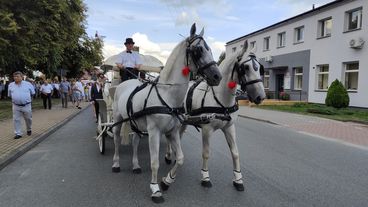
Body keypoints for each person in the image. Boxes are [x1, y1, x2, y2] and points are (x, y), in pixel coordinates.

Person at [7, 71, 35, 139]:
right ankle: (18, 133)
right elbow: (10, 95)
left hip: (26, 105)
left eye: (17, 76)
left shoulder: (28, 84)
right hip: (16, 106)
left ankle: (29, 129)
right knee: (16, 119)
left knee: (28, 119)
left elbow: (33, 93)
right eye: (14, 76)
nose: (15, 78)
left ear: (22, 77)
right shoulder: (11, 85)